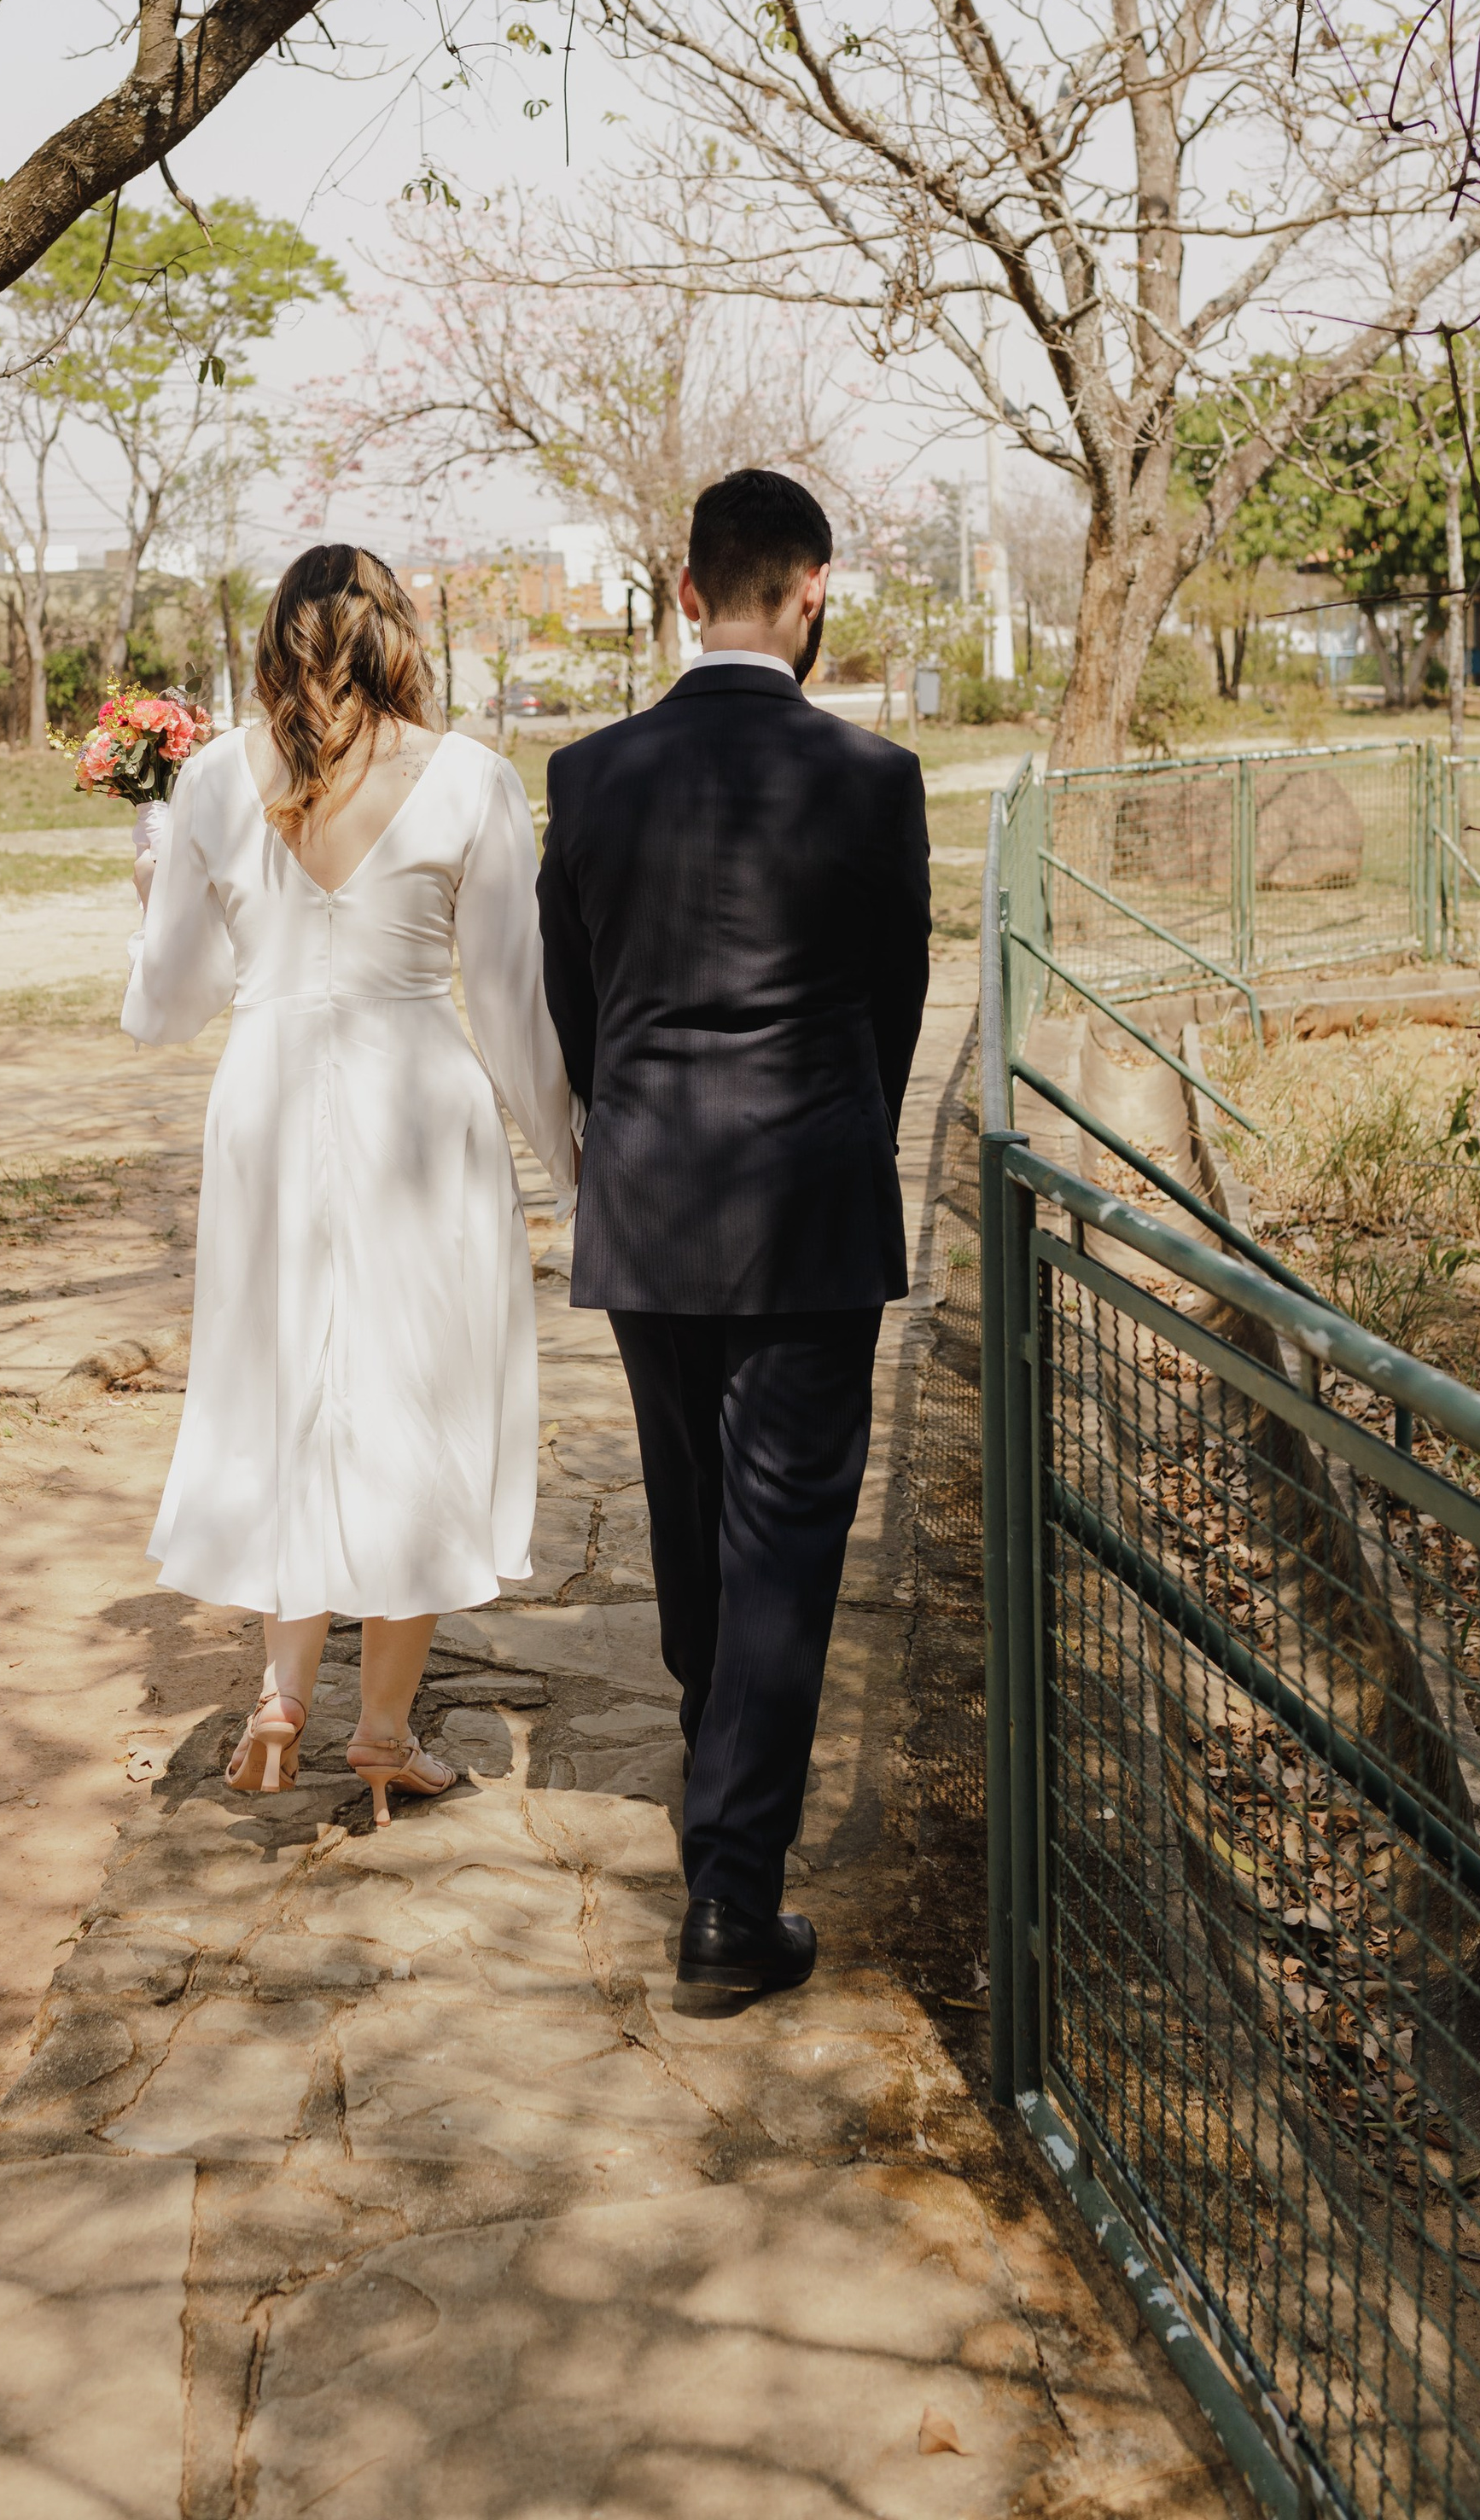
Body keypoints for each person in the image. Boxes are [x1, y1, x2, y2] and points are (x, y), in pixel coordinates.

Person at [537, 469, 930, 2005]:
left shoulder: (588, 772)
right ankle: (732, 1897)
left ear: (684, 591)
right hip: (810, 1202)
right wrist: (836, 1131)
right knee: (784, 1542)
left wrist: (627, 1133)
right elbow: (893, 1007)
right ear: (811, 591)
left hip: (646, 1198)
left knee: (693, 1514)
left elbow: (579, 1009)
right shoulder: (873, 776)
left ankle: (720, 1784)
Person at [124, 544, 577, 1827]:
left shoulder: (213, 777)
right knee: (411, 1391)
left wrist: (153, 887)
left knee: (286, 1380)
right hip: (416, 1104)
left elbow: (164, 1008)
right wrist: (578, 1175)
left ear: (276, 639)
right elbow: (515, 1009)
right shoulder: (474, 779)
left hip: (265, 1101)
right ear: (399, 638)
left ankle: (280, 1694)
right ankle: (384, 1729)